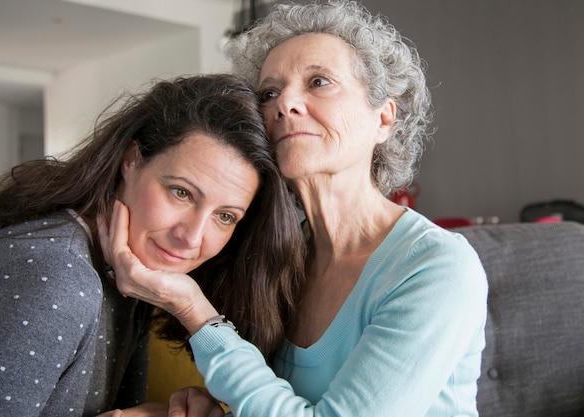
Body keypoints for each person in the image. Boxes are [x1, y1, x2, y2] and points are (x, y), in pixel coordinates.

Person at [102, 1, 488, 416]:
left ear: (383, 119)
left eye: (318, 81)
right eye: (269, 93)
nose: (285, 104)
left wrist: (194, 311)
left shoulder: (437, 267)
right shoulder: (274, 251)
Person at [0, 74, 305, 417]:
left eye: (225, 216)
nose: (192, 237)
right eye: (181, 193)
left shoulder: (132, 273)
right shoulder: (59, 281)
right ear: (131, 159)